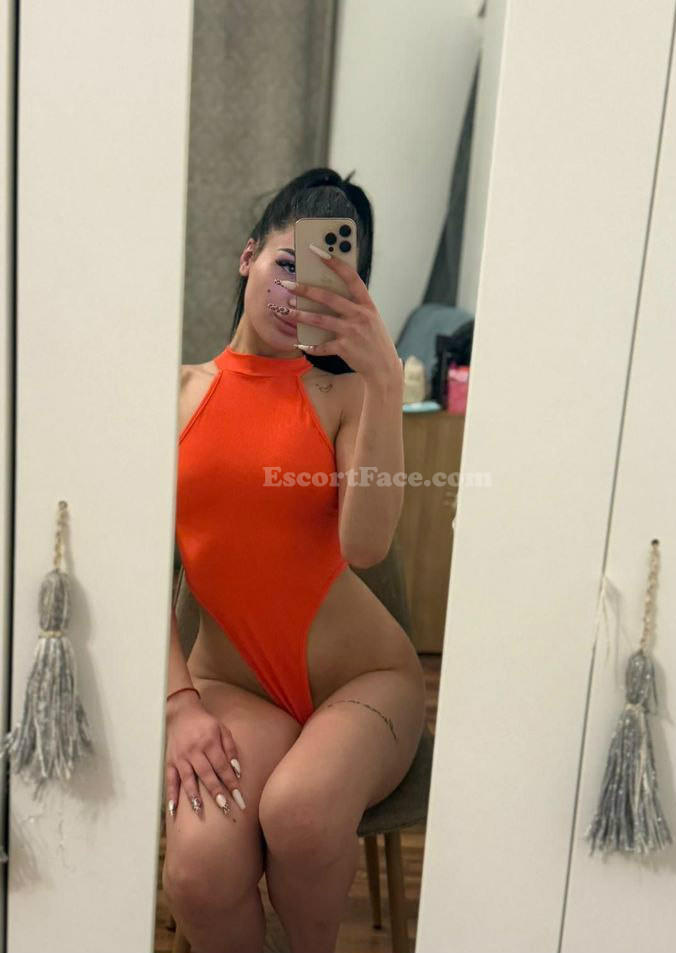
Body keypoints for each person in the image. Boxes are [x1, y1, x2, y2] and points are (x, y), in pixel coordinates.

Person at [161, 167, 426, 953]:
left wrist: (382, 376)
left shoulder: (346, 399)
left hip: (364, 682)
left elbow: (365, 546)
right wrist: (177, 705)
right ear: (247, 256)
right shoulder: (174, 394)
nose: (296, 293)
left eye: (324, 281)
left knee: (302, 814)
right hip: (236, 687)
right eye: (287, 264)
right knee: (198, 872)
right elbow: (140, 569)